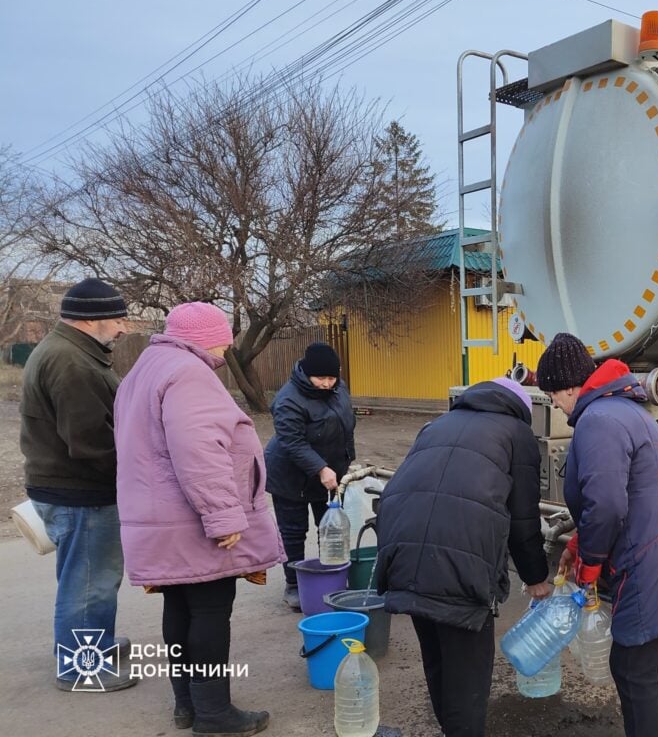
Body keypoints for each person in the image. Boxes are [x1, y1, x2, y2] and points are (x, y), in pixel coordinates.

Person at [114, 302, 285, 735]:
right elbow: (199, 449)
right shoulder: (189, 373)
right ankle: (214, 713)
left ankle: (186, 704)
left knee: (180, 607)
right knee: (210, 611)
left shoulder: (145, 368)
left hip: (161, 517)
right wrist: (223, 515)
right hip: (191, 519)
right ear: (210, 336)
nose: (229, 344)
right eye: (225, 334)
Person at [535, 332, 658, 737]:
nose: (555, 405)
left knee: (632, 668)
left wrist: (591, 564)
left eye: (553, 394)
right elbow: (620, 493)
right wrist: (580, 540)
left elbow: (610, 504)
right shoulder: (624, 410)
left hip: (649, 554)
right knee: (653, 654)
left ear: (569, 385)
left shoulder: (598, 421)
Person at [375, 377, 552, 737]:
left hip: (402, 551)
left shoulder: (438, 424)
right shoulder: (517, 434)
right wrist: (535, 577)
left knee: (438, 658)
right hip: (461, 565)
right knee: (467, 677)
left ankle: (450, 728)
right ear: (520, 407)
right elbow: (523, 519)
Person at [20, 277, 135, 692]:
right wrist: (135, 479)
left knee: (83, 578)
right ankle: (81, 666)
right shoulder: (71, 361)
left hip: (72, 489)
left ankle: (92, 644)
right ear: (92, 320)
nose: (124, 328)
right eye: (119, 319)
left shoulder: (71, 351)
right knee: (89, 582)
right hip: (82, 493)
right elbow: (90, 443)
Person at [264, 342, 356, 610]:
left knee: (331, 526)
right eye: (321, 378)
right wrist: (320, 468)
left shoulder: (339, 388)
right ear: (306, 373)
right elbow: (292, 443)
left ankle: (330, 577)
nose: (327, 384)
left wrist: (346, 461)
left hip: (329, 471)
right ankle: (294, 584)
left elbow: (346, 426)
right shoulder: (288, 399)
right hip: (289, 474)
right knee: (293, 531)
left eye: (332, 377)